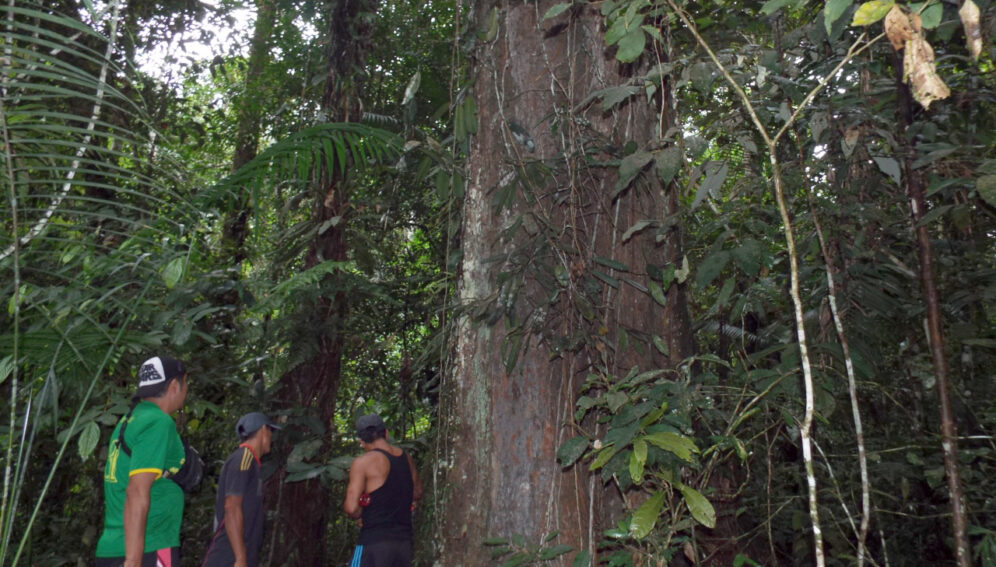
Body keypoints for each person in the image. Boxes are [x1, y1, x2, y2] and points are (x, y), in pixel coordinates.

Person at [96, 355, 190, 567]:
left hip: (114, 545)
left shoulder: (129, 420)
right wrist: (133, 559)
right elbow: (136, 491)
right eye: (186, 383)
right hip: (148, 547)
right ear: (175, 385)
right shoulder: (158, 422)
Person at [201, 412, 281, 567]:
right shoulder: (244, 458)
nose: (271, 436)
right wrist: (240, 558)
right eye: (270, 431)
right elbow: (231, 507)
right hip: (228, 556)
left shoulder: (251, 462)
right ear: (263, 430)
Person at [344, 413, 422, 567]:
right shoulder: (406, 458)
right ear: (386, 433)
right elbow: (417, 492)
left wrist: (361, 513)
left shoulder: (362, 462)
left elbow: (352, 508)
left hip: (373, 543)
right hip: (403, 544)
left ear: (362, 441)